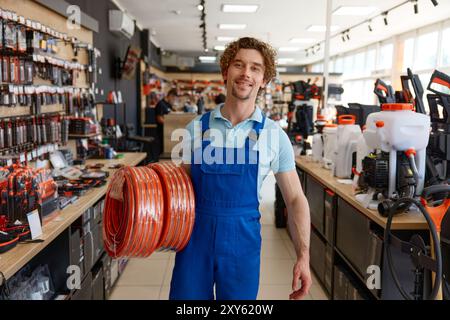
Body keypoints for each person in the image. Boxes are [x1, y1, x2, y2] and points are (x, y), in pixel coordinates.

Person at [169, 37, 311, 300]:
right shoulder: (195, 129)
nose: (246, 73)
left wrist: (304, 256)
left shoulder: (273, 135)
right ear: (226, 71)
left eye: (255, 68)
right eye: (239, 65)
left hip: (242, 245)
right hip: (193, 241)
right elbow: (177, 192)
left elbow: (294, 198)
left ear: (264, 79)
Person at [155, 88, 177, 155]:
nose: (173, 101)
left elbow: (172, 113)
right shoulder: (161, 104)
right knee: (162, 151)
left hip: (168, 131)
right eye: (173, 99)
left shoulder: (168, 104)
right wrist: (169, 124)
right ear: (170, 96)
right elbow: (159, 119)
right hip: (162, 132)